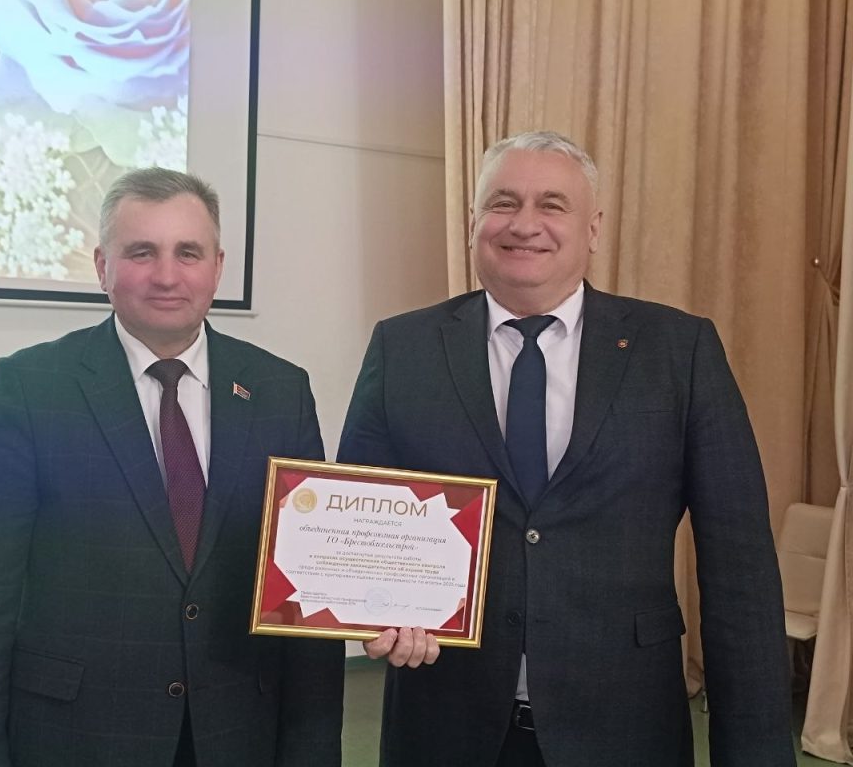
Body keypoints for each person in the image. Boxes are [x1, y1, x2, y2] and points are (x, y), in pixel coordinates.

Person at [337, 131, 794, 766]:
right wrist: (370, 612)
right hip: (444, 721)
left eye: (552, 205)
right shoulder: (402, 349)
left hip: (625, 727)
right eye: (503, 202)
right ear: (473, 221)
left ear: (594, 228)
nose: (524, 224)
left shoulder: (678, 351)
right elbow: (357, 526)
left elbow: (739, 569)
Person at [0, 168, 344, 767]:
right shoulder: (29, 388)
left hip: (239, 732)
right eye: (142, 252)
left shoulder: (282, 391)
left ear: (217, 267)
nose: (167, 275)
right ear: (103, 266)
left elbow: (306, 592)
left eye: (188, 252)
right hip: (76, 736)